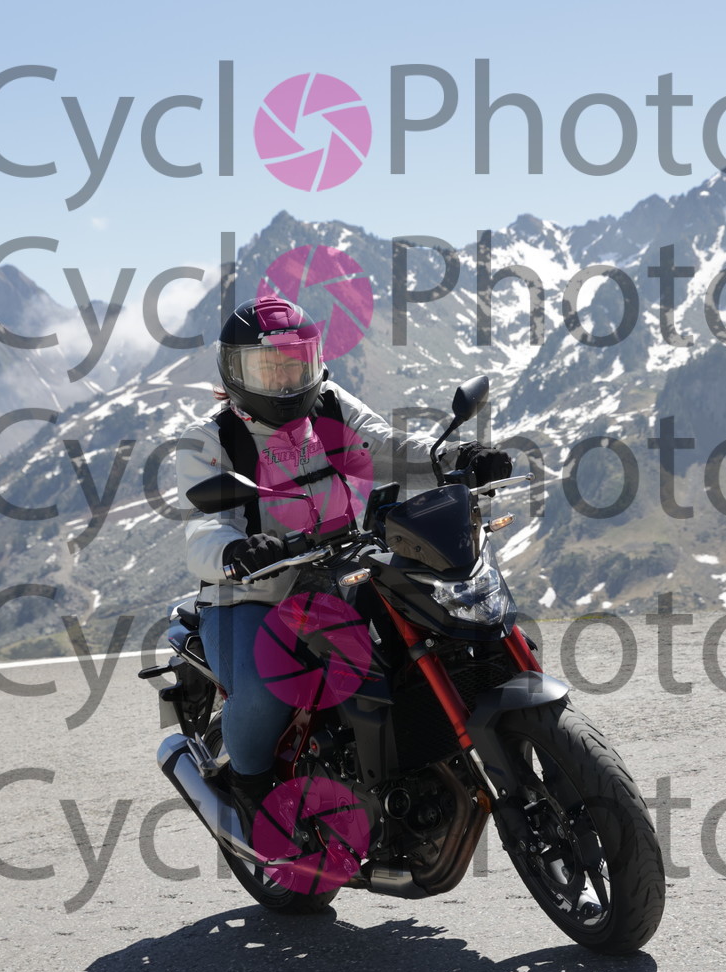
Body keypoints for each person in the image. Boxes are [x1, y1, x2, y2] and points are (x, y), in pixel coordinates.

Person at [175, 296, 511, 826]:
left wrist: (454, 457)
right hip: (251, 593)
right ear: (235, 373)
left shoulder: (327, 405)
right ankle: (250, 793)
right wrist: (236, 551)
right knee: (264, 691)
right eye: (268, 367)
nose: (284, 379)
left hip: (338, 570)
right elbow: (203, 527)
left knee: (426, 638)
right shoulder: (210, 439)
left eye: (295, 363)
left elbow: (384, 446)